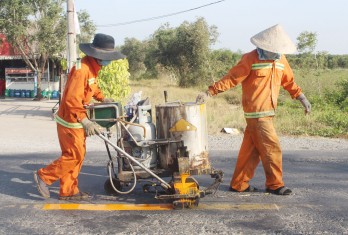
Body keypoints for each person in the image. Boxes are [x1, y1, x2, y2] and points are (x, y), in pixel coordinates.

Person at [196, 24, 311, 196]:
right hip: (257, 114)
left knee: (252, 150)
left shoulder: (281, 61)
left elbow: (289, 82)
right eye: (274, 49)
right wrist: (210, 92)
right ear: (265, 46)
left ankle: (239, 184)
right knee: (272, 148)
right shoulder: (251, 58)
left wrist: (302, 98)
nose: (277, 53)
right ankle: (275, 184)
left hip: (267, 114)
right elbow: (232, 78)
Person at [33, 33, 125, 200]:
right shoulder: (81, 69)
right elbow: (71, 99)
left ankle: (68, 191)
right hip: (70, 120)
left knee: (77, 155)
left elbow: (92, 87)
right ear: (98, 55)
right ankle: (44, 176)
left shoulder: (92, 68)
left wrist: (103, 98)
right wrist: (84, 120)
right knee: (74, 155)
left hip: (75, 119)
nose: (108, 61)